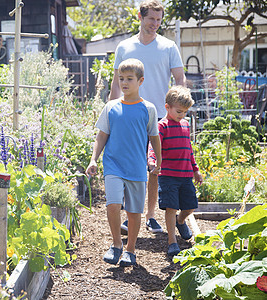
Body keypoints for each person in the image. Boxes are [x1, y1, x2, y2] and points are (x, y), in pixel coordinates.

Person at [109, 0, 186, 234]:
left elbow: (180, 80)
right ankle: (128, 216)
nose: (155, 24)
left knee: (154, 168)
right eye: (151, 19)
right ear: (141, 18)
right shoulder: (124, 46)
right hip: (128, 116)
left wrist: (179, 112)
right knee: (126, 166)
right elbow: (116, 82)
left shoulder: (169, 47)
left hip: (160, 118)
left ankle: (151, 216)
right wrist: (111, 111)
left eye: (159, 20)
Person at [86, 58, 162, 266]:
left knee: (134, 212)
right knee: (112, 205)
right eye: (121, 78)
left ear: (141, 81)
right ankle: (117, 244)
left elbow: (154, 137)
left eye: (129, 79)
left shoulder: (148, 109)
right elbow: (101, 136)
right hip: (113, 165)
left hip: (137, 167)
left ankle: (130, 250)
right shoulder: (110, 107)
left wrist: (158, 160)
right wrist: (94, 159)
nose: (124, 83)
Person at [147, 86, 203, 256]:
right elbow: (153, 146)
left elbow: (189, 150)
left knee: (190, 207)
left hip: (185, 174)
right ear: (167, 107)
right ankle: (172, 241)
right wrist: (152, 161)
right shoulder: (162, 126)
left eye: (185, 112)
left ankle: (181, 220)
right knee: (171, 207)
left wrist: (196, 170)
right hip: (168, 175)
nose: (182, 115)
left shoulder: (185, 125)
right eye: (179, 111)